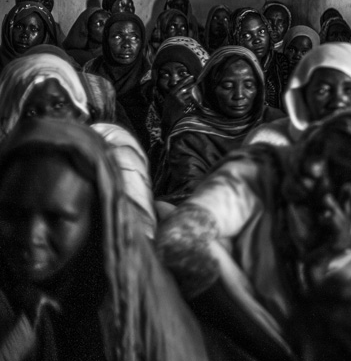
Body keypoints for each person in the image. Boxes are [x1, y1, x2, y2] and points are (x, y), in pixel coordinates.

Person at [158, 110, 351, 361]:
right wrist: (270, 340)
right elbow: (179, 240)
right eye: (316, 157)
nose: (315, 175)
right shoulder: (262, 177)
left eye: (340, 177)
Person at [0, 118, 210, 360]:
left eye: (56, 219)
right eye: (12, 214)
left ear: (97, 218)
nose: (31, 237)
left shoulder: (137, 307)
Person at [0, 52, 157, 237]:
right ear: (12, 121)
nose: (49, 120)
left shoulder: (112, 151)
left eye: (59, 106)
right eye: (32, 112)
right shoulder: (10, 157)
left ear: (78, 109)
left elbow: (135, 237)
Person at [155, 46, 278, 203]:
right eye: (227, 86)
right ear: (210, 88)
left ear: (259, 88)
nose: (239, 95)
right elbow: (191, 193)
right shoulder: (190, 135)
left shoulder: (273, 122)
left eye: (248, 85)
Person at [144, 37, 209, 183]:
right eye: (165, 75)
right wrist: (169, 122)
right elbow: (150, 174)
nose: (173, 82)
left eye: (183, 73)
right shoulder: (150, 113)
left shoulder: (215, 112)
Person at [83, 12, 149, 139]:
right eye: (118, 36)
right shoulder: (91, 69)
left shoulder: (150, 79)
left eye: (134, 37)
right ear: (106, 40)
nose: (127, 45)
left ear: (142, 42)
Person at [230, 7, 290, 109]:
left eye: (261, 31)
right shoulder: (229, 68)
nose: (257, 40)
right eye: (247, 35)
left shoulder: (281, 63)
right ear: (235, 37)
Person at [0, 0, 60, 70]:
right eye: (19, 27)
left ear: (45, 35)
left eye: (33, 29)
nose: (24, 35)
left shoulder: (56, 70)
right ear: (8, 28)